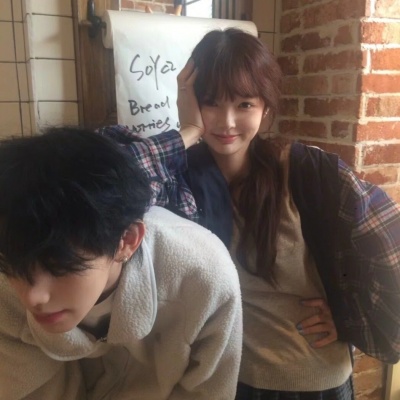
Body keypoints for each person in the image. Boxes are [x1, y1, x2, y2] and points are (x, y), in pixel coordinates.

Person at [99, 28, 400, 400]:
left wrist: (350, 318)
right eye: (211, 102)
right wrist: (188, 130)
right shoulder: (180, 177)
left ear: (265, 108)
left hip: (313, 380)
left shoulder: (306, 171)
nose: (226, 122)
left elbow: (390, 244)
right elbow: (100, 191)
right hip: (222, 379)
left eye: (244, 104)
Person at [0, 128, 243, 400]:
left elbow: (209, 392)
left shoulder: (204, 276)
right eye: (14, 267)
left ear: (126, 240)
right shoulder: (5, 293)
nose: (32, 297)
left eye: (59, 267)